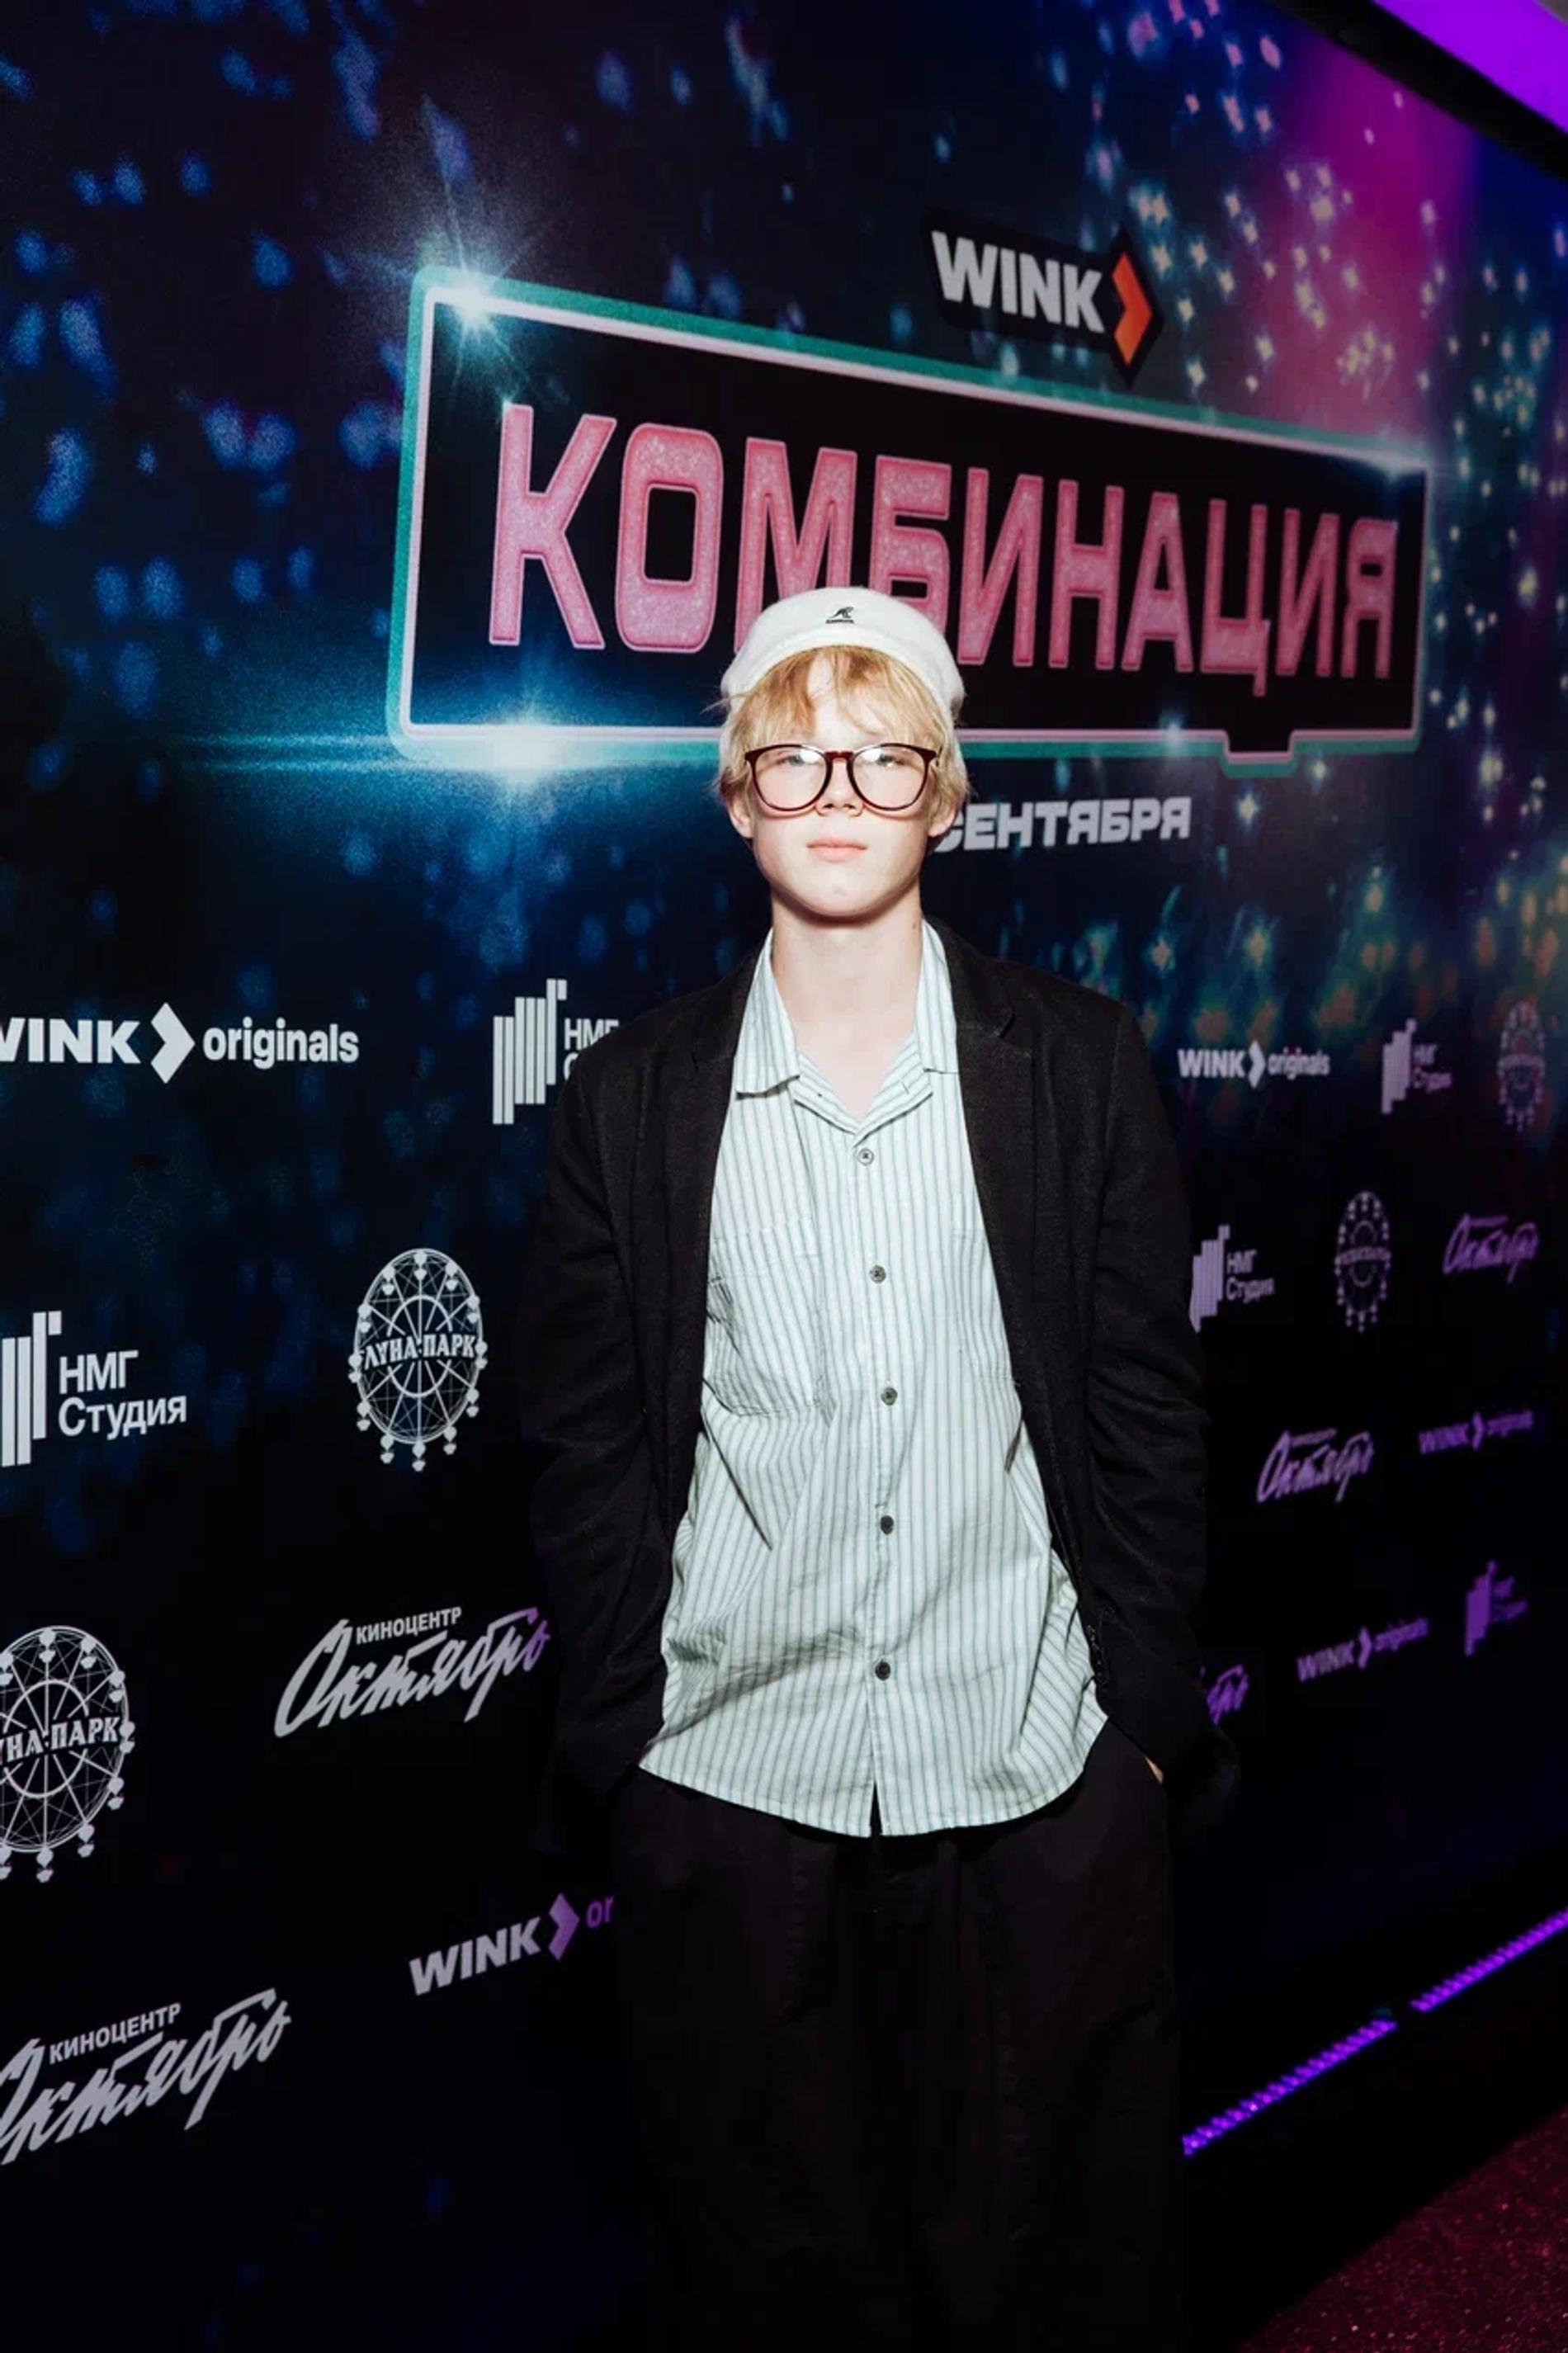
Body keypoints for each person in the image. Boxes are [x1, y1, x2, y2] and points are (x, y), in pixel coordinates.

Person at [513, 585, 1239, 2351]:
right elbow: (584, 1447)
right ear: (737, 795)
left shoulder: (1076, 1067)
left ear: (945, 793)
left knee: (1056, 2296)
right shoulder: (631, 1098)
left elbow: (1147, 1416)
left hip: (1034, 1794)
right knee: (770, 2302)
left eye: (882, 755)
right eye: (794, 756)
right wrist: (628, 1751)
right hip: (731, 1803)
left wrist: (1137, 1729)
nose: (836, 793)